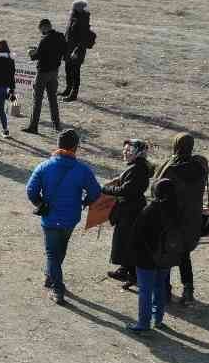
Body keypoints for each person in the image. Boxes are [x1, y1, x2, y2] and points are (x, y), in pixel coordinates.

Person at [24, 129, 103, 305]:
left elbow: (31, 190)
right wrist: (85, 201)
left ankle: (57, 288)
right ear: (75, 147)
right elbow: (96, 192)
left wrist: (40, 204)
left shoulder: (44, 166)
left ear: (58, 145)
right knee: (60, 249)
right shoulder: (82, 169)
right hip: (70, 218)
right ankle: (50, 276)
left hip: (50, 218)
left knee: (52, 253)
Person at [151, 133, 209, 306]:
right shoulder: (200, 167)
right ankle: (188, 290)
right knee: (184, 255)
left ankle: (165, 291)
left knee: (166, 254)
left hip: (172, 220)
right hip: (192, 220)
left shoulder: (170, 169)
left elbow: (157, 189)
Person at [128, 179, 182, 333]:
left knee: (145, 292)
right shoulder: (176, 210)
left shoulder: (150, 210)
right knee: (160, 289)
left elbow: (136, 235)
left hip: (146, 259)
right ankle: (158, 320)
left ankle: (143, 324)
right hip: (166, 257)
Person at [102, 139, 153, 286]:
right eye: (125, 149)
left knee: (127, 243)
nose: (125, 152)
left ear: (138, 153)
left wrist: (106, 189)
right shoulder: (137, 166)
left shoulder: (138, 169)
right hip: (128, 210)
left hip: (131, 212)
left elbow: (126, 191)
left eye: (129, 150)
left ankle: (133, 276)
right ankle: (124, 269)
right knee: (123, 241)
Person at [23, 18, 68, 134]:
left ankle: (33, 127)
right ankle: (56, 125)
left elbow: (36, 56)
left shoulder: (45, 40)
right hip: (54, 72)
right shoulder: (61, 36)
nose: (40, 32)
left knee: (37, 100)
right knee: (53, 99)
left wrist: (30, 52)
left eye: (40, 29)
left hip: (43, 73)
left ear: (44, 27)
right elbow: (64, 52)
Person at [61, 0, 91, 102]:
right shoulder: (73, 18)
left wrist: (76, 51)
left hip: (76, 52)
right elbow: (68, 34)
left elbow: (83, 39)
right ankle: (67, 89)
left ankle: (73, 94)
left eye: (73, 8)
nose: (71, 9)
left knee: (75, 72)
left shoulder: (82, 20)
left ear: (78, 9)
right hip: (69, 50)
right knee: (68, 70)